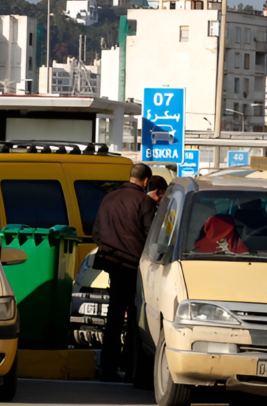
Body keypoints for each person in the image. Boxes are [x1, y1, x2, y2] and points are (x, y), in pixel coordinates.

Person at [91, 163, 157, 382]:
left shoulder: (109, 198)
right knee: (135, 318)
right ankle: (130, 366)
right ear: (146, 181)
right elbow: (151, 237)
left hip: (112, 262)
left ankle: (107, 368)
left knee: (114, 316)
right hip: (134, 266)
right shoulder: (144, 201)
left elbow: (96, 232)